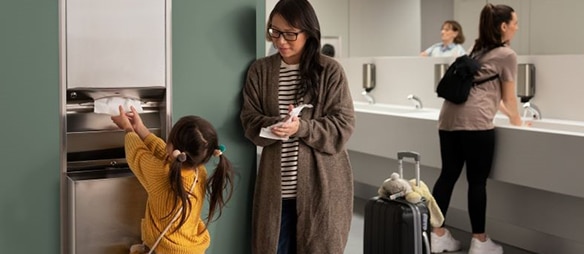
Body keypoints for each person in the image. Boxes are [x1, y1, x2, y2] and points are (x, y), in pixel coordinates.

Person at [239, 0, 355, 253]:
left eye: (290, 34)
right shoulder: (260, 70)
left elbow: (343, 126)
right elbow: (249, 121)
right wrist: (276, 126)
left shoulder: (330, 70)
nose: (281, 41)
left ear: (309, 32)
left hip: (321, 190)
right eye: (274, 31)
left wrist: (301, 128)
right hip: (275, 192)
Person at [430, 4, 522, 254]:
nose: (517, 26)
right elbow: (509, 98)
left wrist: (507, 113)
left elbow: (485, 93)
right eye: (514, 22)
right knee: (477, 182)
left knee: (447, 175)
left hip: (448, 119)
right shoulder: (507, 55)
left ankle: (437, 236)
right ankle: (480, 241)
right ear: (503, 26)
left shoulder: (474, 50)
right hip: (476, 124)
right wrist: (518, 121)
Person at [111, 105, 235, 254]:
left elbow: (137, 155)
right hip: (191, 248)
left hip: (165, 250)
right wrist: (141, 129)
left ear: (174, 148)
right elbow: (165, 154)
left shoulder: (160, 174)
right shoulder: (199, 172)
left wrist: (128, 129)